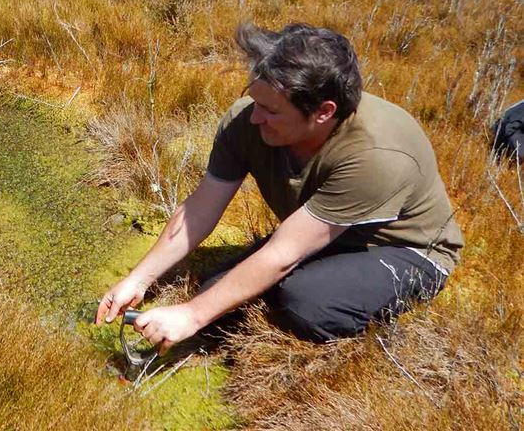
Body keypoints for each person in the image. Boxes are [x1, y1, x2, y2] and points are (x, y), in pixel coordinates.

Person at [95, 23, 463, 347]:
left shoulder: (376, 155)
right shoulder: (249, 120)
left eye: (271, 111)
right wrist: (138, 279)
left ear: (323, 112)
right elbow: (200, 208)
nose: (255, 117)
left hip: (406, 250)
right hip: (322, 230)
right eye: (256, 100)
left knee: (304, 303)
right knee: (214, 291)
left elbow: (283, 254)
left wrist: (190, 316)